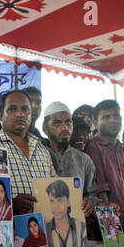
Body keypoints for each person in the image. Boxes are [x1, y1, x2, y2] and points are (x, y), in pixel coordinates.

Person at [0, 90, 56, 215]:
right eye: (12, 109)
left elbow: (56, 186)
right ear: (1, 115)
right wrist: (9, 205)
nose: (20, 114)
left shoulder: (42, 150)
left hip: (43, 231)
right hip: (9, 231)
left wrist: (78, 201)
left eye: (25, 109)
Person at [42, 101, 98, 239]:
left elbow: (92, 194)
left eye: (68, 123)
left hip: (76, 234)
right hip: (43, 232)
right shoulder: (37, 155)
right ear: (45, 128)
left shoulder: (84, 160)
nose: (65, 127)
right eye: (57, 123)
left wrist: (89, 205)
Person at [84, 100, 124, 238]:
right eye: (106, 117)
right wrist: (112, 234)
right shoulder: (93, 147)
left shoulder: (123, 150)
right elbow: (100, 190)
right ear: (95, 123)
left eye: (116, 115)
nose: (113, 120)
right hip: (109, 231)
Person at [45, 180, 87, 247]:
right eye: (52, 201)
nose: (55, 207)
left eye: (60, 200)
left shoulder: (81, 227)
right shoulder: (45, 230)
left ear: (68, 202)